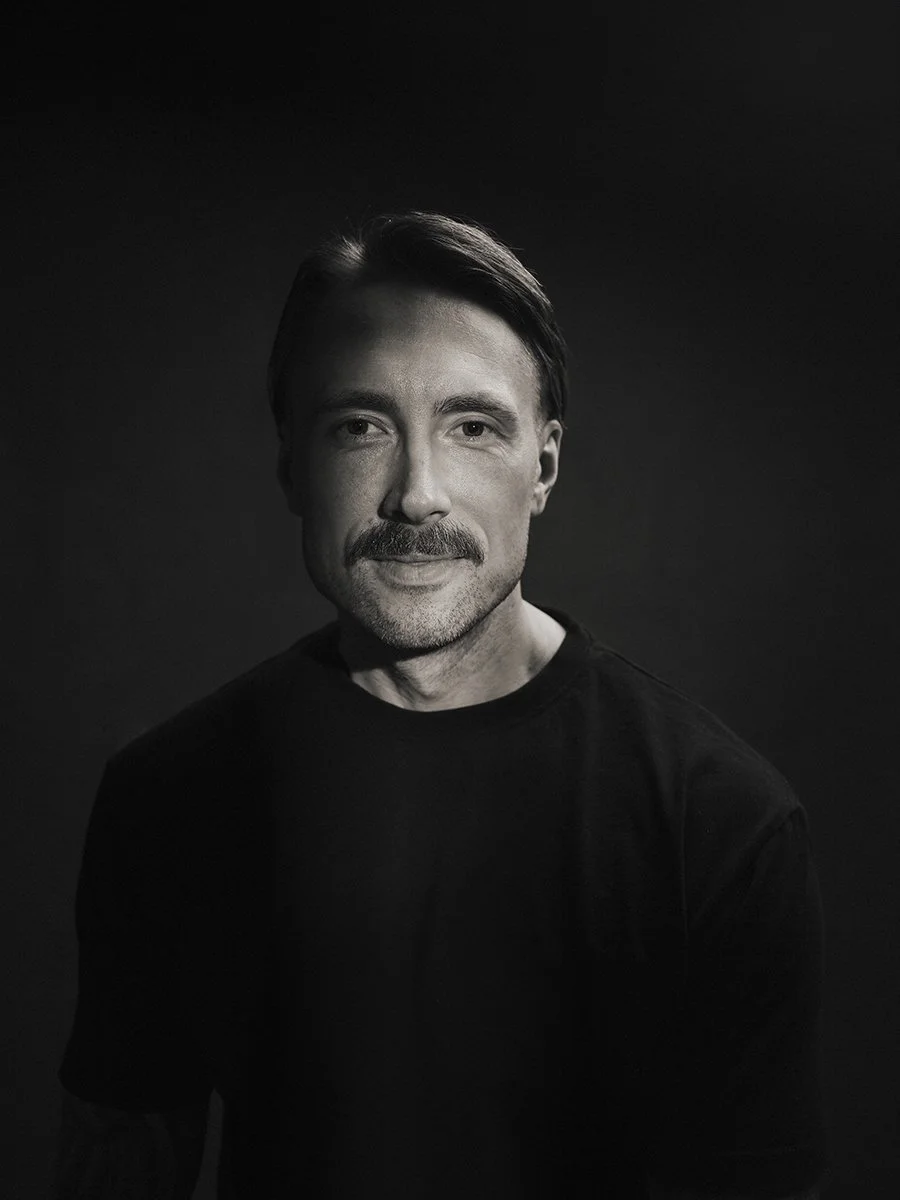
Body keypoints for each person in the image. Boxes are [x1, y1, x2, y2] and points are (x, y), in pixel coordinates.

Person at [55, 211, 827, 1199]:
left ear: (542, 465)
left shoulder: (721, 822)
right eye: (360, 426)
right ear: (292, 461)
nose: (417, 495)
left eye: (472, 427)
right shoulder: (169, 797)